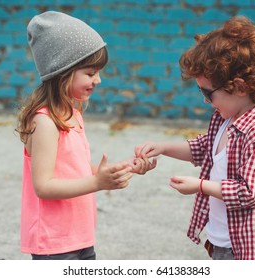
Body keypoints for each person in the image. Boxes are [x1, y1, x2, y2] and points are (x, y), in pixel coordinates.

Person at [135, 16, 255, 260]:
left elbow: (249, 193)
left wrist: (200, 186)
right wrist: (162, 147)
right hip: (223, 239)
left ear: (240, 87)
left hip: (250, 250)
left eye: (208, 93)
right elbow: (203, 148)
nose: (204, 100)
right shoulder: (224, 118)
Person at [16, 11, 154, 260]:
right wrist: (98, 183)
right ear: (63, 72)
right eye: (90, 73)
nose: (98, 80)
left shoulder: (71, 113)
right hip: (55, 243)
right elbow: (43, 186)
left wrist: (119, 169)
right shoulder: (45, 122)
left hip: (79, 235)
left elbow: (74, 169)